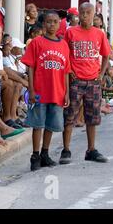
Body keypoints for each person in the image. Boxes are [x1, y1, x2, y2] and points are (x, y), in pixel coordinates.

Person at [61, 3, 110, 165]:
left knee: (92, 118)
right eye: (82, 12)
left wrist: (101, 74)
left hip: (93, 81)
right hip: (76, 81)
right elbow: (65, 54)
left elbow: (106, 55)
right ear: (78, 15)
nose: (84, 15)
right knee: (70, 116)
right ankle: (66, 149)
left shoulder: (99, 34)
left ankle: (91, 150)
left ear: (93, 15)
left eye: (88, 13)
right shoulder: (71, 32)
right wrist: (70, 72)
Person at [21, 11, 71, 171]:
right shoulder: (37, 42)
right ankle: (35, 155)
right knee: (38, 124)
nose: (52, 25)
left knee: (50, 125)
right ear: (43, 24)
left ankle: (45, 153)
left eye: (55, 22)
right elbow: (30, 67)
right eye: (49, 22)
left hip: (57, 92)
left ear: (59, 24)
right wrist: (31, 87)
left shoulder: (63, 45)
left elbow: (66, 72)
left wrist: (67, 93)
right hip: (40, 91)